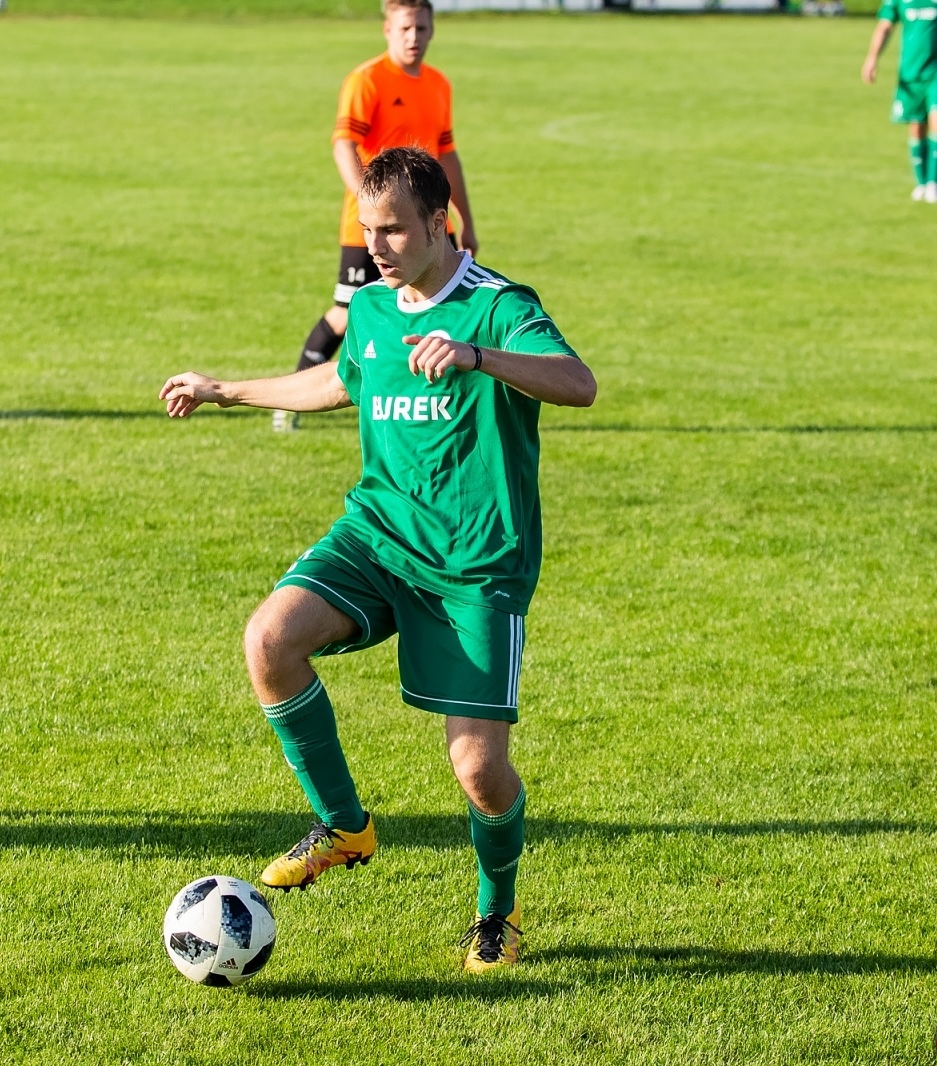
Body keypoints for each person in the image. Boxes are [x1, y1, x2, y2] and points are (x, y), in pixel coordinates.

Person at [160, 148, 596, 973]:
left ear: (439, 222)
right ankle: (344, 826)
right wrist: (226, 390)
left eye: (393, 229)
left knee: (479, 770)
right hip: (379, 535)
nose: (376, 245)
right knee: (269, 641)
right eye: (368, 229)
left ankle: (496, 912)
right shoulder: (370, 308)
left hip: (474, 563)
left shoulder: (498, 306)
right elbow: (338, 382)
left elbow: (579, 383)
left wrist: (476, 357)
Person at [274, 0, 479, 432]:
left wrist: (466, 220)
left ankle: (438, 407)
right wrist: (372, 209)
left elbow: (447, 156)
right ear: (388, 30)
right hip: (371, 229)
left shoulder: (439, 84)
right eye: (405, 29)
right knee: (346, 312)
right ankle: (291, 398)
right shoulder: (367, 80)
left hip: (429, 226)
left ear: (432, 30)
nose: (414, 37)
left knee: (446, 310)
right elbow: (343, 144)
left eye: (422, 28)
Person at [862, 0, 937, 203]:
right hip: (911, 72)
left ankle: (934, 183)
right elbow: (885, 26)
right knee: (917, 127)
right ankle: (921, 183)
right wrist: (872, 58)